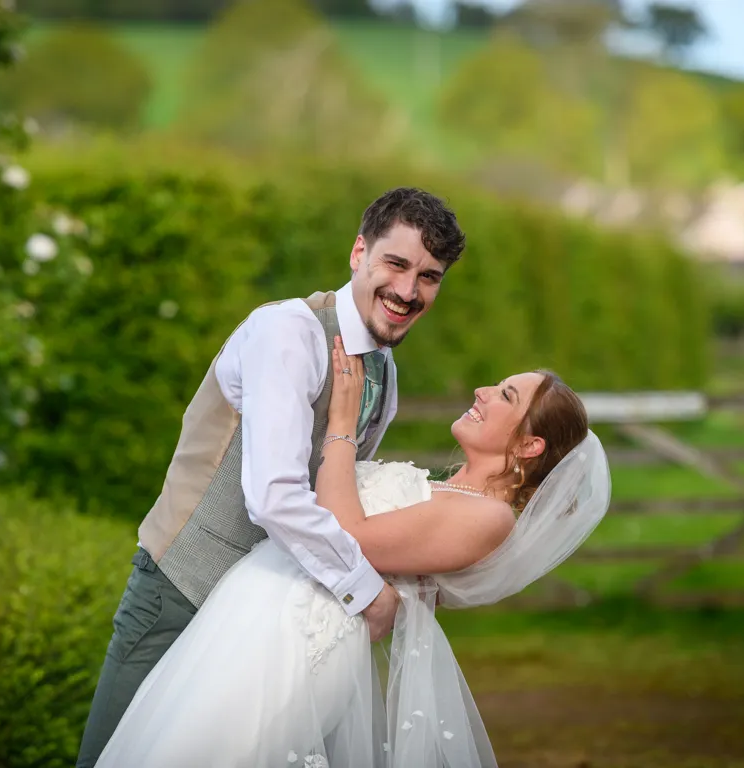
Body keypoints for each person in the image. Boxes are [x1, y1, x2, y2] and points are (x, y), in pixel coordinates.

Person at [75, 188, 468, 768]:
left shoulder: (383, 374)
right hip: (184, 592)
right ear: (359, 252)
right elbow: (274, 496)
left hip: (270, 623)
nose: (409, 291)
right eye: (397, 263)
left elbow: (340, 498)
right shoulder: (287, 332)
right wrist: (367, 592)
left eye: (430, 277)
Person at [94, 340, 612, 768]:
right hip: (261, 615)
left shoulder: (489, 518)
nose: (481, 392)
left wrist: (342, 424)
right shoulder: (458, 494)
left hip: (297, 641)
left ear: (528, 447)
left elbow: (344, 533)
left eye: (504, 395)